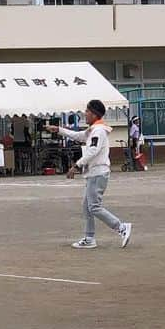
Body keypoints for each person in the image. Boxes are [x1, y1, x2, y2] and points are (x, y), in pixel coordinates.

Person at [49, 102, 133, 250]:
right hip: (94, 173)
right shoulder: (93, 130)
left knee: (94, 207)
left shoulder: (98, 131)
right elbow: (79, 135)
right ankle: (89, 238)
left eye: (87, 111)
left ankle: (121, 227)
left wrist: (76, 166)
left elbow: (92, 151)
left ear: (94, 114)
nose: (85, 114)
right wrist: (59, 130)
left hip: (98, 173)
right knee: (87, 207)